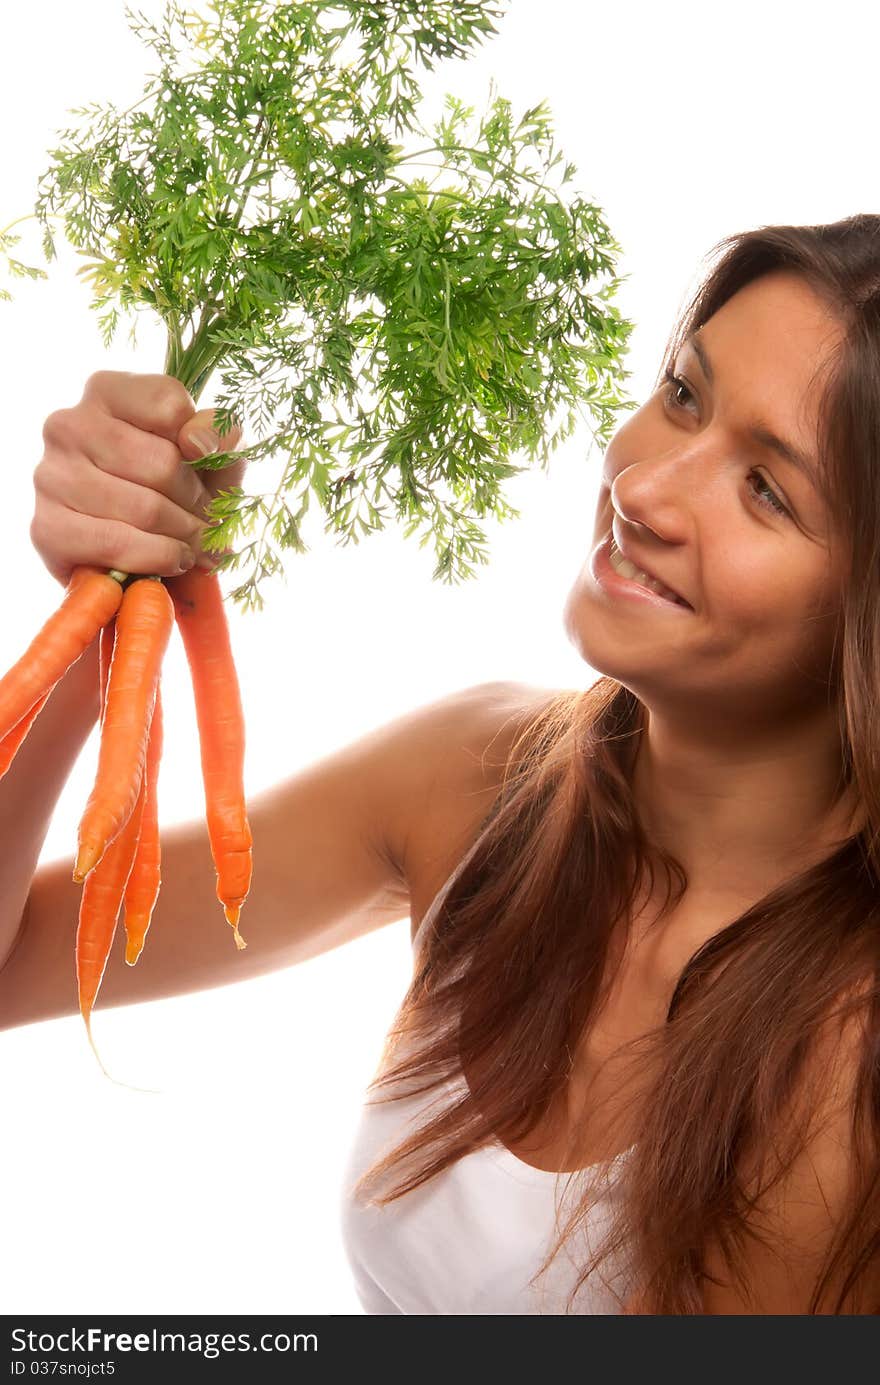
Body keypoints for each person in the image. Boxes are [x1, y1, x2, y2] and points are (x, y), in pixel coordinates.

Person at [1, 212, 878, 1315]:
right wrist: (99, 613)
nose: (645, 488)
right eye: (684, 396)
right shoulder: (477, 776)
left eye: (766, 490)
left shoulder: (846, 1062)